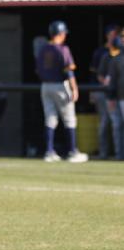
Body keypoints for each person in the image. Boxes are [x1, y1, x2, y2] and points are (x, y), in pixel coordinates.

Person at [35, 20, 88, 163]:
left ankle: (49, 151)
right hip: (60, 85)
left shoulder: (43, 49)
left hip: (45, 86)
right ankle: (72, 151)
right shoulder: (62, 49)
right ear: (60, 33)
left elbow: (38, 70)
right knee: (69, 119)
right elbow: (69, 71)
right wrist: (74, 88)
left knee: (50, 119)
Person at [95, 27, 122, 159]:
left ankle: (119, 153)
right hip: (110, 95)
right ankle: (108, 153)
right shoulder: (107, 56)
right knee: (109, 124)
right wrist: (110, 94)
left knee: (117, 125)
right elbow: (102, 77)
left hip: (120, 96)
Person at [105, 29, 124, 160]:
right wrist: (111, 97)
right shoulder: (117, 59)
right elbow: (111, 81)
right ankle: (119, 154)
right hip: (121, 97)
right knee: (117, 126)